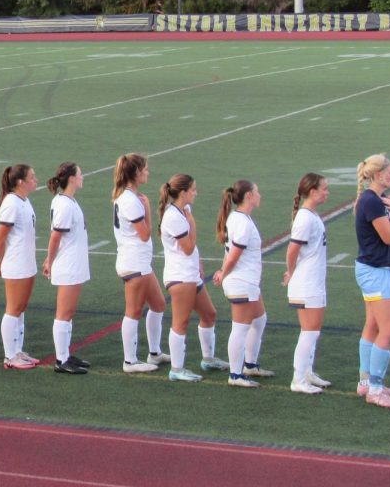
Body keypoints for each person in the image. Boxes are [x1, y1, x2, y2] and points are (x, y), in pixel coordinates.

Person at [159, 174, 222, 382]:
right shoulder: (174, 216)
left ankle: (209, 359)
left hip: (190, 274)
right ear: (183, 192)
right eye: (193, 189)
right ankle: (176, 369)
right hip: (180, 276)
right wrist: (192, 224)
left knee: (209, 314)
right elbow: (187, 248)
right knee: (181, 322)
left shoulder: (184, 211)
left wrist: (200, 264)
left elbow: (192, 250)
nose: (196, 193)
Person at [355, 154, 390, 409]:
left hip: (374, 269)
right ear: (377, 175)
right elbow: (389, 238)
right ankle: (374, 388)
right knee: (389, 329)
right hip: (376, 271)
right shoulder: (373, 202)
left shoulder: (373, 199)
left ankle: (366, 382)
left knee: (373, 325)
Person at [212, 180, 272, 387]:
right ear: (248, 196)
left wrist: (224, 272)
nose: (259, 195)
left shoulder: (240, 219)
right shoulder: (242, 222)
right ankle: (235, 375)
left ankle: (250, 364)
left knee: (259, 319)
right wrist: (223, 272)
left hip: (248, 281)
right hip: (241, 282)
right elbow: (234, 255)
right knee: (240, 328)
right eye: (257, 192)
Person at [112, 153, 168, 373]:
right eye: (144, 169)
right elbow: (145, 234)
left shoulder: (128, 197)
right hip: (134, 262)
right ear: (135, 173)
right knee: (133, 311)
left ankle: (154, 352)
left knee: (159, 304)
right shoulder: (130, 200)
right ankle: (130, 361)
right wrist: (147, 209)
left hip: (139, 262)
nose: (147, 172)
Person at [283, 173, 331, 394]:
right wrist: (291, 272)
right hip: (306, 282)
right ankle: (298, 379)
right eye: (324, 188)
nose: (327, 192)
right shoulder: (305, 218)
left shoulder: (310, 215)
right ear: (312, 192)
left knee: (312, 330)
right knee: (309, 331)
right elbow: (292, 250)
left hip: (312, 281)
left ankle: (307, 372)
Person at [45, 162, 91, 375]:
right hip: (68, 264)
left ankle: (66, 353)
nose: (83, 177)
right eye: (80, 174)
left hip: (75, 263)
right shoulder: (64, 204)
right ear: (72, 178)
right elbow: (56, 236)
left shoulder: (68, 201)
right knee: (63, 313)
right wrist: (49, 260)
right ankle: (61, 359)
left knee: (69, 312)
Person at [0, 164, 39, 370]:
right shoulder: (11, 203)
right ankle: (9, 356)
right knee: (13, 309)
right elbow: (0, 238)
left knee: (21, 308)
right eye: (32, 176)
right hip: (16, 263)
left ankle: (18, 349)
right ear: (20, 182)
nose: (35, 179)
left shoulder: (24, 200)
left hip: (27, 261)